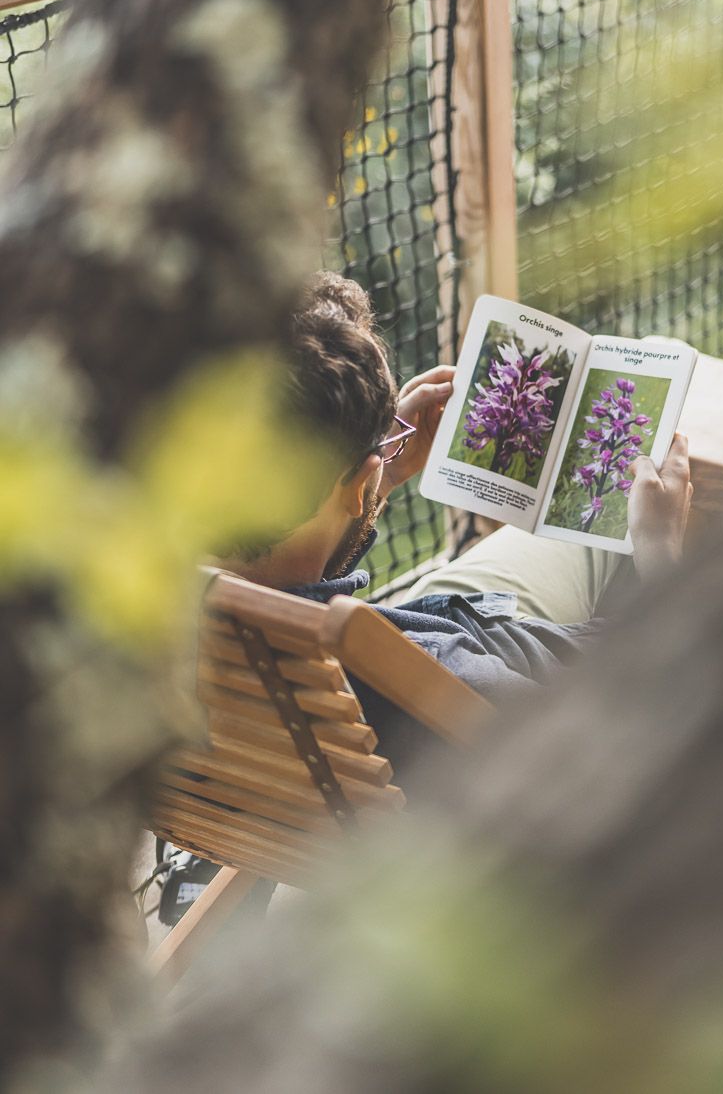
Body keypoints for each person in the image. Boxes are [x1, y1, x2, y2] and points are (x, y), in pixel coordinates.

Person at [217, 272, 693, 777]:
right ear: (356, 481)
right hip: (562, 703)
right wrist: (663, 557)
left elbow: (281, 566)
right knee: (630, 527)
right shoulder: (421, 671)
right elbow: (615, 739)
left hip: (312, 791)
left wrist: (375, 478)